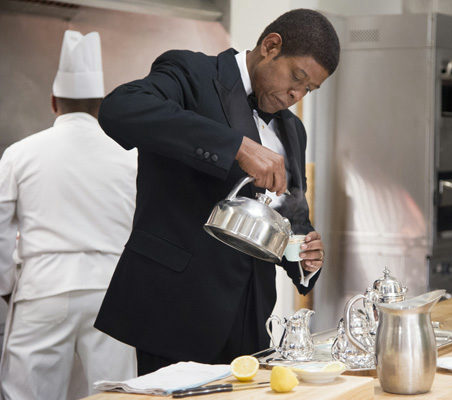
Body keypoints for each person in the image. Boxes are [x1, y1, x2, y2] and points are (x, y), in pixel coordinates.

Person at [94, 8, 340, 375]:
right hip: (177, 310)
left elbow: (291, 215)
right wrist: (235, 146)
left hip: (253, 323)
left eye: (309, 89)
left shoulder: (294, 129)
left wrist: (303, 257)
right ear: (271, 46)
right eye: (297, 77)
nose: (296, 94)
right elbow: (119, 109)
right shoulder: (190, 72)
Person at [0, 30, 138, 399]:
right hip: (111, 291)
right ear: (101, 104)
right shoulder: (130, 156)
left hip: (42, 288)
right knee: (112, 394)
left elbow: (0, 232)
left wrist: (5, 287)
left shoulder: (20, 154)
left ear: (53, 102)